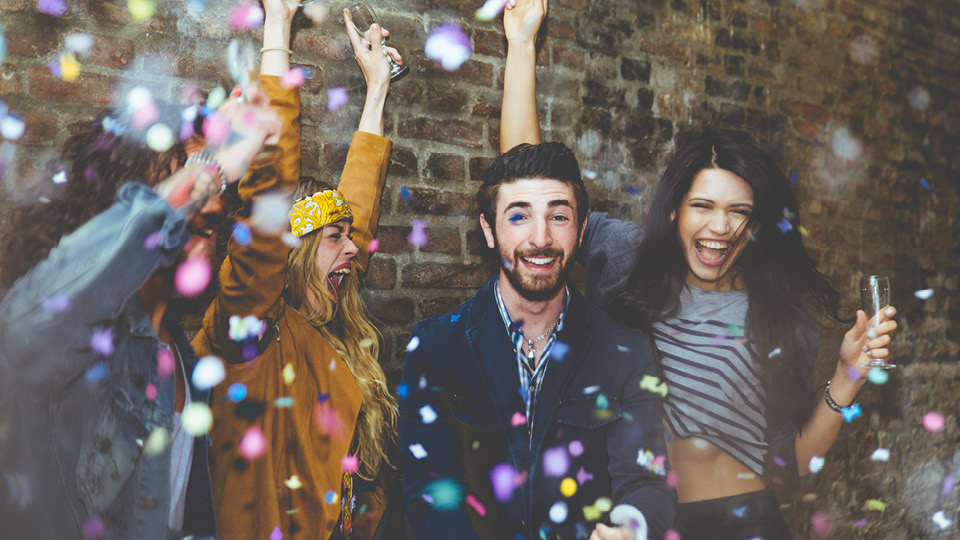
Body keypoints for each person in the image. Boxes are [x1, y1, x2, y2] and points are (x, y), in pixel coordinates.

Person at [499, 1, 900, 538]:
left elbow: (792, 465)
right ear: (674, 210)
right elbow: (531, 191)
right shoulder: (626, 261)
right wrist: (522, 46)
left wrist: (847, 377)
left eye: (739, 212)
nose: (721, 228)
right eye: (703, 207)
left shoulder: (780, 315)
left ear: (755, 227)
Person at [0, 81, 281, 538]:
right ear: (121, 205)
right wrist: (211, 168)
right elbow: (28, 322)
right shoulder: (74, 335)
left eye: (215, 189)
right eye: (181, 174)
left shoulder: (186, 363)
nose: (213, 200)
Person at [189, 2, 401, 539]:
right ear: (291, 251)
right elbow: (271, 199)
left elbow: (356, 206)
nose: (352, 250)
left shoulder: (324, 325)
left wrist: (376, 89)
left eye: (348, 238)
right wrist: (278, 23)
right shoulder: (251, 329)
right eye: (334, 239)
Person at [400, 140, 675, 540]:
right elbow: (431, 495)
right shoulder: (436, 347)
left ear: (581, 231)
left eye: (558, 216)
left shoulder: (626, 351)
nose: (541, 238)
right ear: (489, 230)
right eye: (519, 217)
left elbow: (647, 481)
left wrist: (630, 529)